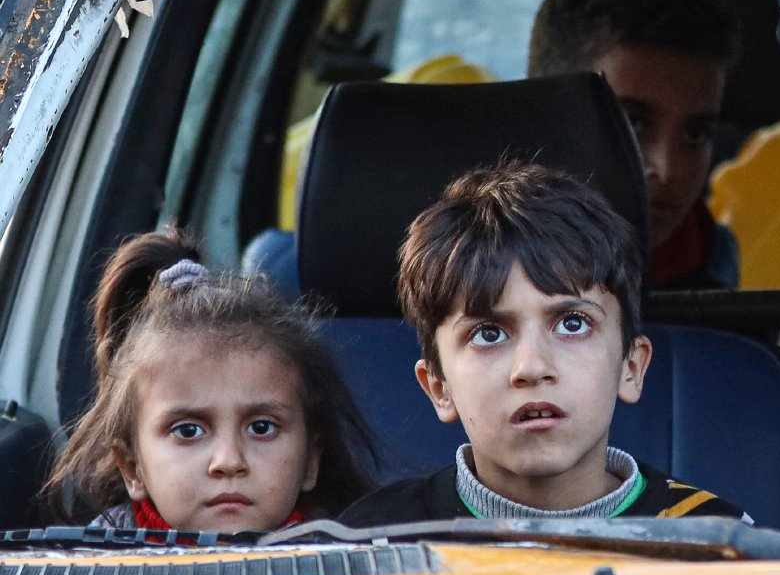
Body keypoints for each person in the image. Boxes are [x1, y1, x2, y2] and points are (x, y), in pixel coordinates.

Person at [339, 161, 742, 524]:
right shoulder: (372, 544)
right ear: (439, 387)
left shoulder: (720, 547)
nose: (531, 367)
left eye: (572, 324)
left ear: (630, 367)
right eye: (489, 334)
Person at [45, 229, 376, 532]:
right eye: (188, 431)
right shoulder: (93, 571)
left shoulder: (344, 567)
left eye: (262, 427)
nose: (229, 461)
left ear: (310, 461)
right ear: (132, 468)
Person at [528, 0, 740, 289]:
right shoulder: (451, 262)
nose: (668, 169)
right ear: (545, 116)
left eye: (696, 134)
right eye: (632, 124)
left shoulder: (710, 258)